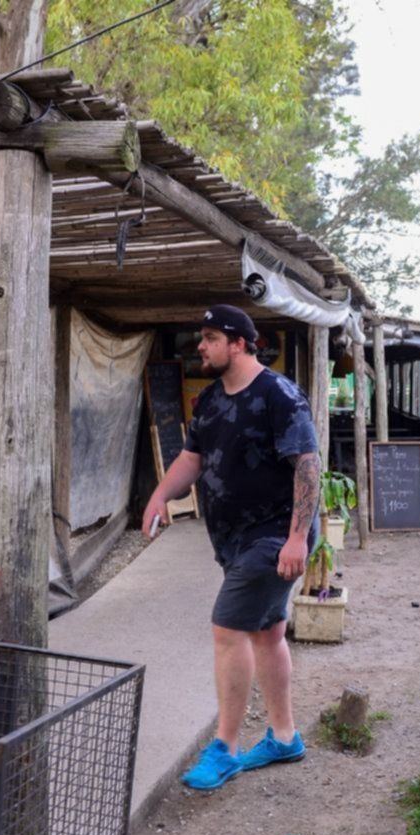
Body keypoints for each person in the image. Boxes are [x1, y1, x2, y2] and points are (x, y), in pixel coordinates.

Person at [142, 304, 321, 791]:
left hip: (275, 535)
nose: (200, 346)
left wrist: (297, 538)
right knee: (267, 634)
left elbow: (308, 467)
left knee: (228, 630)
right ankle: (283, 737)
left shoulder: (279, 394)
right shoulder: (210, 400)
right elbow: (191, 459)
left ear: (238, 343)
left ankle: (225, 747)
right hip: (235, 539)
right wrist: (160, 495)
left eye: (210, 338)